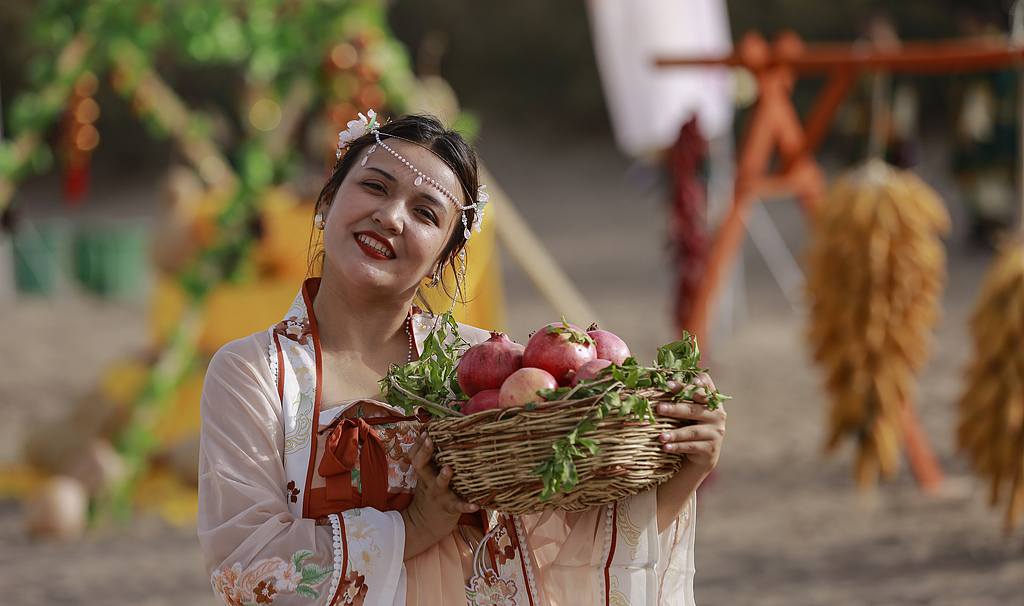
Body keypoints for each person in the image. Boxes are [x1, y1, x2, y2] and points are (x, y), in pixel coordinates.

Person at [197, 112, 727, 606]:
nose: (390, 216)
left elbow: (568, 539)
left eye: (425, 213)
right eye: (374, 187)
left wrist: (685, 469)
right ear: (326, 203)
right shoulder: (253, 372)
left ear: (444, 257)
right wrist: (414, 527)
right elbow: (246, 565)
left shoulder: (483, 366)